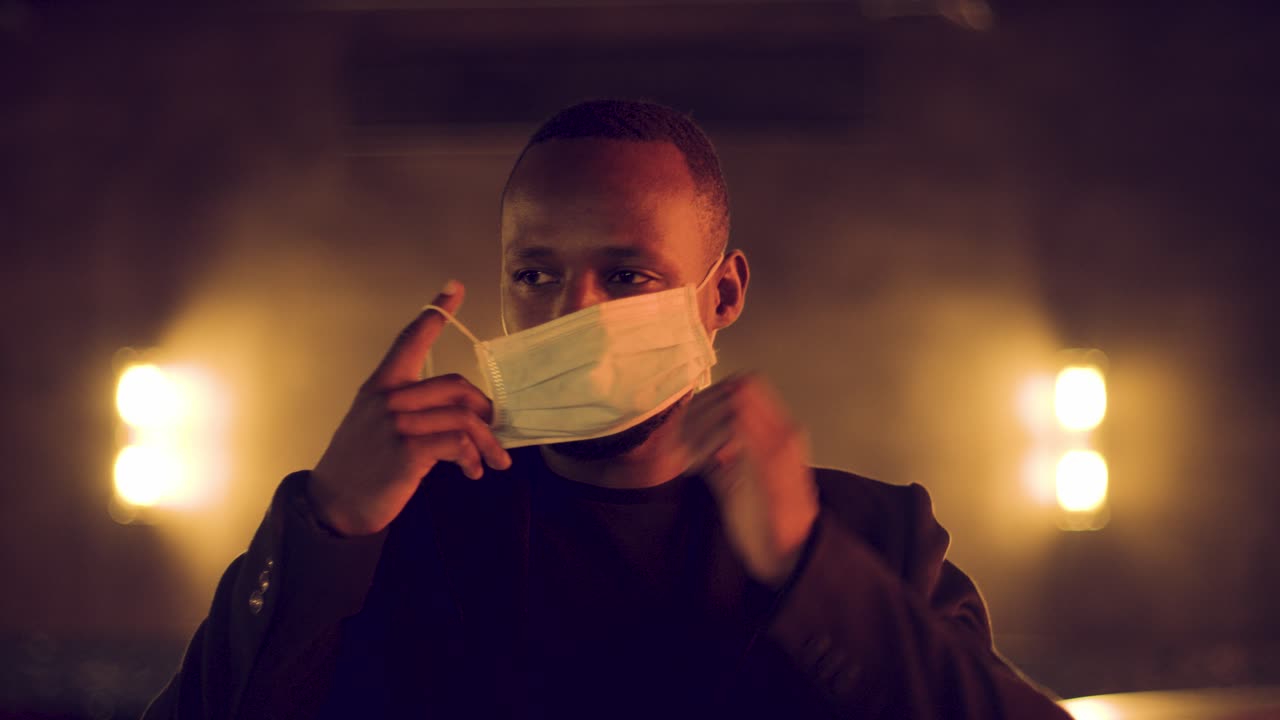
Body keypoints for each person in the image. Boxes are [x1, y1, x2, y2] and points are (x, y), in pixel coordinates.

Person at [145, 99, 1071, 719]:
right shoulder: (404, 536)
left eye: (626, 275)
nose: (572, 312)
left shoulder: (873, 535)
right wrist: (326, 524)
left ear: (724, 293)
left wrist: (807, 567)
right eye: (536, 274)